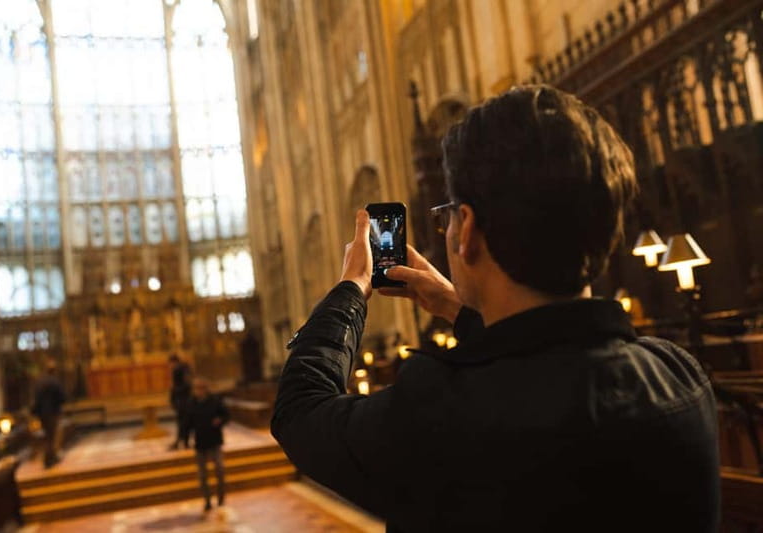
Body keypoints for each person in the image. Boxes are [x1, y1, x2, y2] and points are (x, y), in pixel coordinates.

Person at [271, 86, 720, 532]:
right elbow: (547, 369)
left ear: (465, 229)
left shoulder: (436, 416)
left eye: (447, 213)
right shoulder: (679, 376)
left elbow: (299, 411)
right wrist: (461, 310)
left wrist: (351, 290)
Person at [183, 377, 230, 512]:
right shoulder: (191, 403)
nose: (199, 391)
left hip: (215, 441)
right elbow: (187, 424)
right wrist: (185, 440)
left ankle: (221, 497)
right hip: (200, 443)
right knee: (202, 476)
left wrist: (219, 421)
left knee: (220, 470)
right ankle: (207, 500)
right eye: (196, 388)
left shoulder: (215, 401)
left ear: (206, 388)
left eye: (201, 388)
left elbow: (226, 416)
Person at [32, 361, 66, 468]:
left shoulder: (40, 382)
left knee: (47, 435)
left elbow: (36, 398)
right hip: (52, 413)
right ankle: (49, 458)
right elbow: (62, 397)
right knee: (52, 436)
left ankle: (49, 458)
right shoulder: (54, 382)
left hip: (42, 414)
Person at [168, 354, 192, 450]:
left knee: (183, 422)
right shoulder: (185, 368)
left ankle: (180, 442)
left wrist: (174, 390)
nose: (169, 366)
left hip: (183, 400)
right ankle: (184, 443)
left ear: (174, 362)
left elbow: (186, 385)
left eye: (170, 363)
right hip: (183, 399)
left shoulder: (178, 369)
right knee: (184, 422)